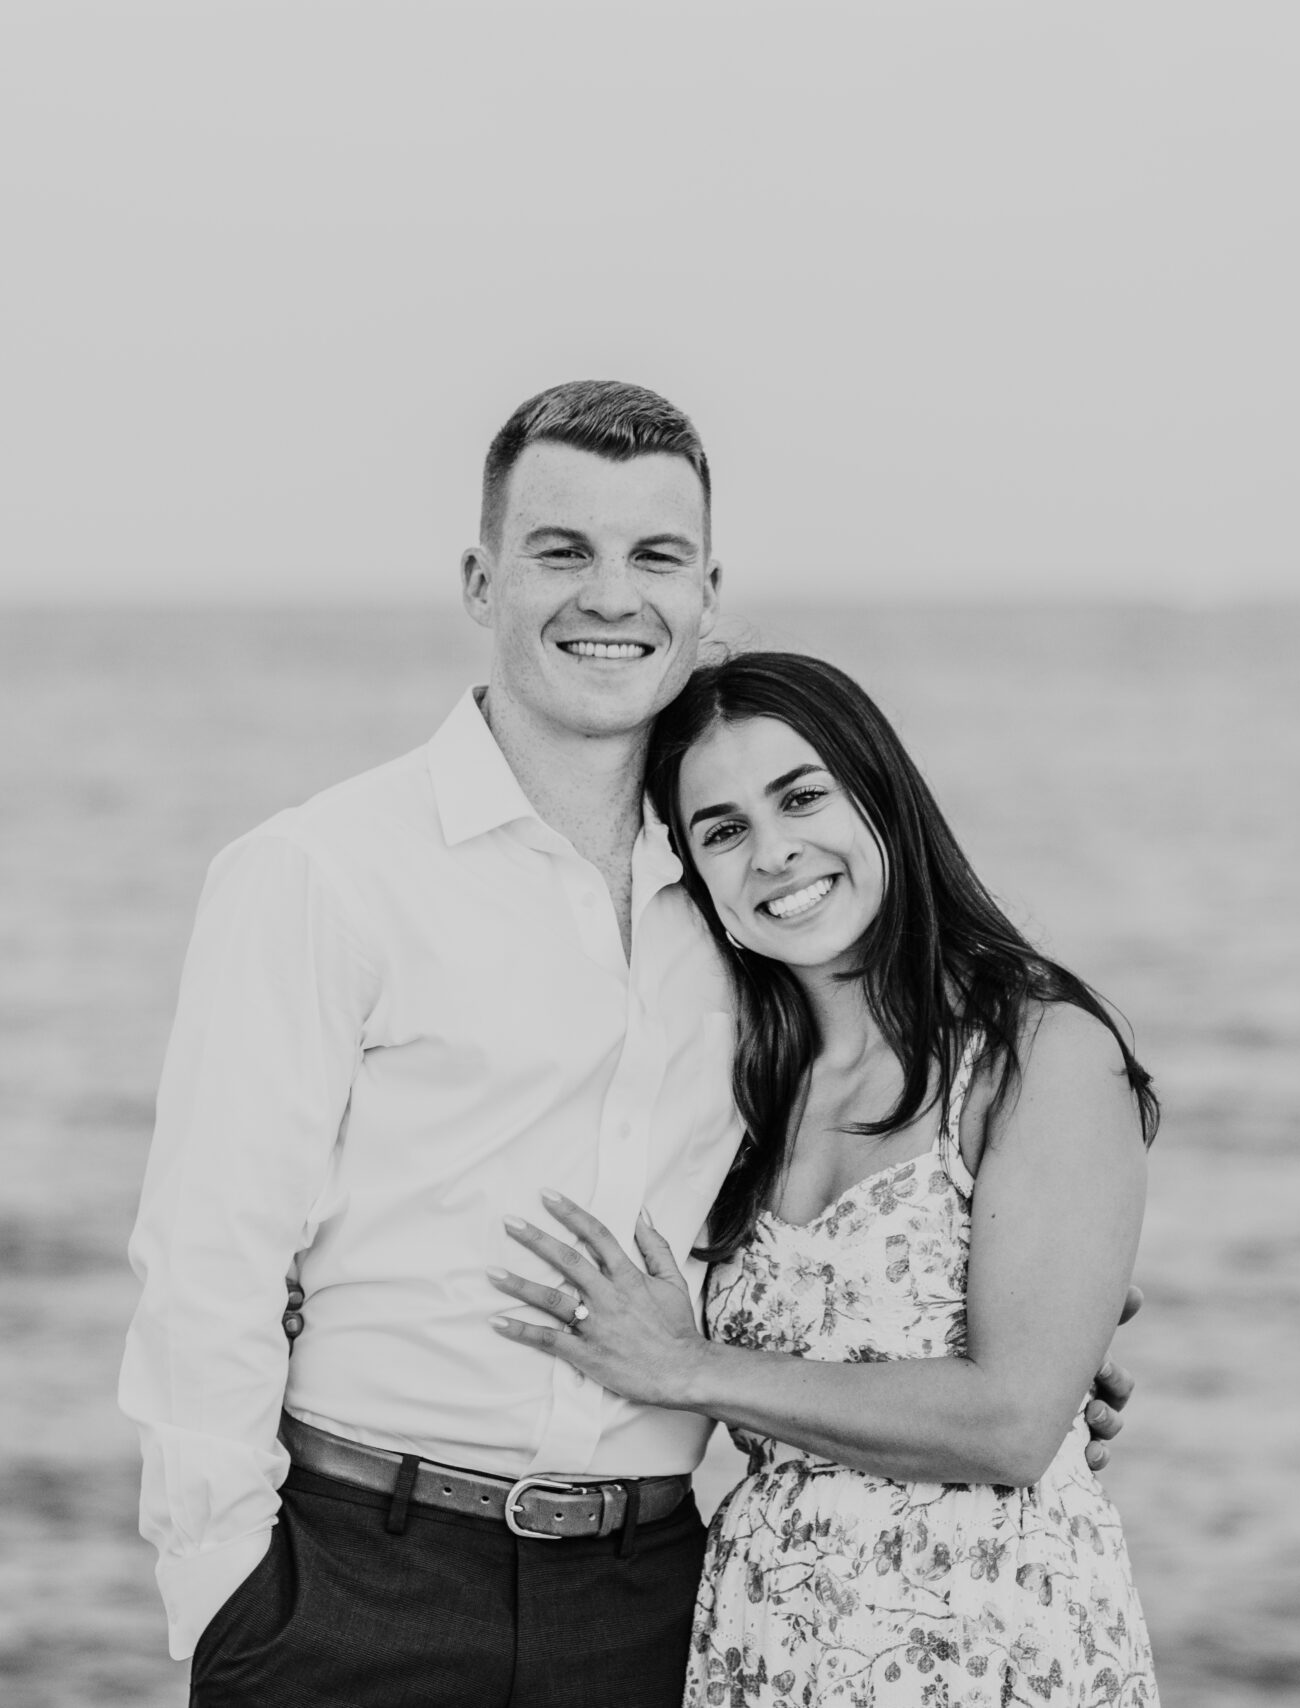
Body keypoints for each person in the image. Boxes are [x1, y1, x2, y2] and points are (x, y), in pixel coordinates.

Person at [119, 381, 1136, 1708]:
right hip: (361, 1584)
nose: (612, 596)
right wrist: (226, 1613)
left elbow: (866, 1190)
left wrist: (1031, 1342)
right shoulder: (321, 876)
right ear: (482, 581)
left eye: (655, 556)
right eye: (562, 551)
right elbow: (209, 1269)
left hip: (658, 1604)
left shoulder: (750, 910)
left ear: (708, 593)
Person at [487, 651, 1160, 1706]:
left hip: (989, 1649)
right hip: (768, 1647)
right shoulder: (737, 1091)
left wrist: (690, 1365)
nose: (774, 853)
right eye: (722, 830)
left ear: (878, 792)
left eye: (800, 796)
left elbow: (1015, 1421)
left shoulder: (1040, 1051)